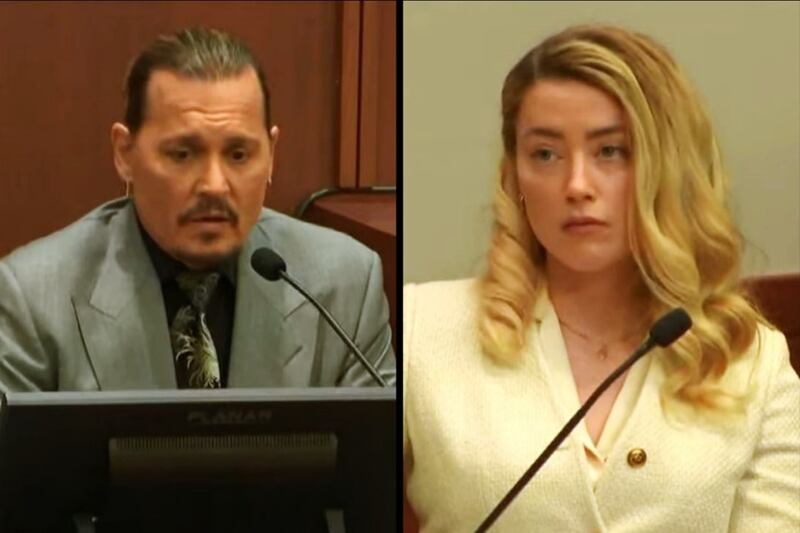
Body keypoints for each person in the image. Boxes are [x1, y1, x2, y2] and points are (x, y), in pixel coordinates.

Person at [403, 24, 799, 531]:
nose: (576, 185)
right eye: (545, 154)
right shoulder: (422, 331)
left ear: (667, 167)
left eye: (610, 151)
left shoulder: (749, 359)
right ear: (515, 175)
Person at [0, 27, 395, 391]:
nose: (214, 185)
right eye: (182, 154)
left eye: (238, 155)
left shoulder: (346, 285)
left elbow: (371, 444)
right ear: (125, 154)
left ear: (271, 155)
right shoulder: (33, 297)